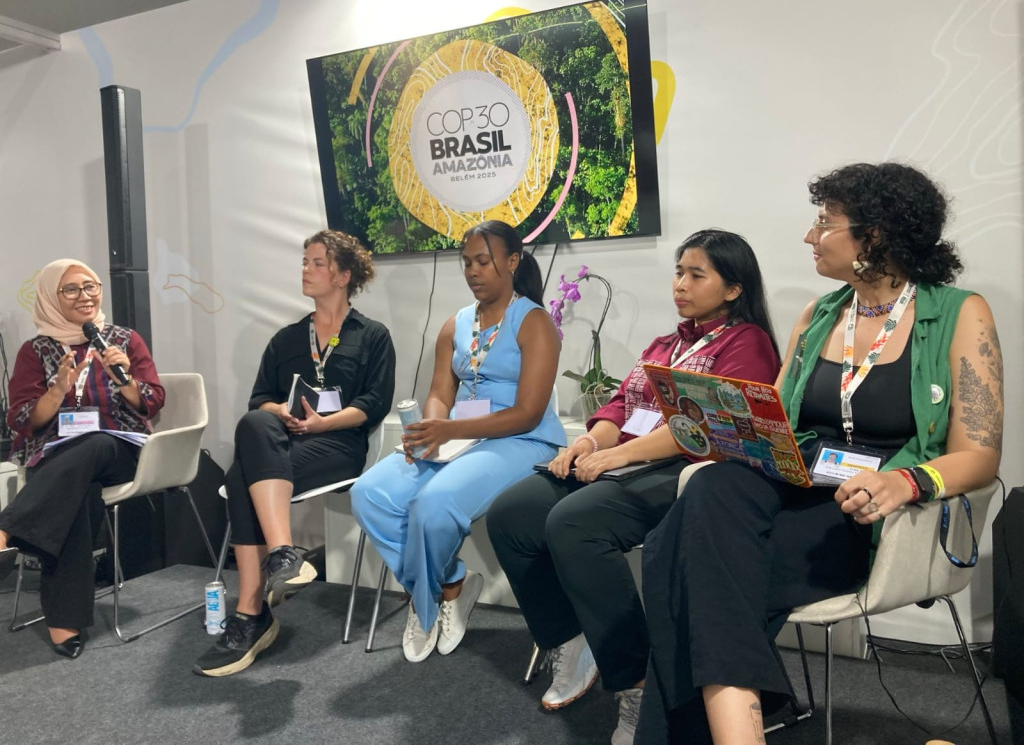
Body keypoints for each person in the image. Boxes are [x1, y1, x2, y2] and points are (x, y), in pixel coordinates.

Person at [636, 163, 1004, 744]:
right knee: (708, 489)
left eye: (824, 222)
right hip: (796, 481)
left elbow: (980, 455)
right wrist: (724, 426)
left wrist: (904, 482)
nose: (810, 235)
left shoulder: (960, 312)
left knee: (684, 563)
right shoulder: (820, 315)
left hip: (870, 508)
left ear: (874, 235)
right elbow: (777, 421)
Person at [487, 230, 781, 745]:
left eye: (696, 275)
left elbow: (707, 425)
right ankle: (571, 637)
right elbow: (621, 404)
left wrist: (617, 456)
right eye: (678, 272)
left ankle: (636, 683)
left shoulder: (747, 344)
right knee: (511, 513)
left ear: (734, 289)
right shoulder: (667, 343)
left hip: (687, 473)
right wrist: (588, 444)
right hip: (621, 462)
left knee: (573, 524)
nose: (680, 284)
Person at [351, 219, 565, 663]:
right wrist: (432, 428)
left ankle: (423, 604)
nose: (473, 271)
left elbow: (528, 412)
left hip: (522, 441)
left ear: (512, 261)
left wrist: (449, 430)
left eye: (483, 261)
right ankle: (449, 584)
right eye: (466, 262)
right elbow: (439, 393)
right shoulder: (455, 324)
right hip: (460, 438)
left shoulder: (535, 322)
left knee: (434, 504)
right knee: (369, 494)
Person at [193, 230, 395, 677]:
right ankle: (283, 555)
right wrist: (280, 412)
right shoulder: (286, 339)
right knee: (255, 422)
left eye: (317, 263)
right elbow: (260, 399)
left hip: (338, 446)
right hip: (284, 443)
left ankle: (251, 614)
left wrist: (323, 423)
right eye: (305, 261)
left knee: (240, 478)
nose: (306, 269)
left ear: (343, 275)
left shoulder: (372, 336)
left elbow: (374, 403)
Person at [0, 259, 164, 659]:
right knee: (77, 492)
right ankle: (65, 622)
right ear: (50, 297)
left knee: (95, 443)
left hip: (120, 451)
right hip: (59, 459)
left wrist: (125, 378)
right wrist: (57, 392)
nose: (85, 296)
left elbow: (153, 400)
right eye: (70, 289)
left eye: (91, 286)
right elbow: (22, 419)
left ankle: (7, 529)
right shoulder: (35, 351)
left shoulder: (123, 340)